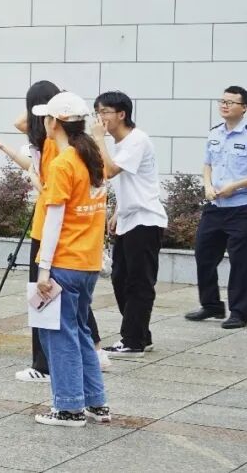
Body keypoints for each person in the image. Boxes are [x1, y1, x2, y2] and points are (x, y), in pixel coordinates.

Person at [0, 81, 110, 382]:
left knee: (51, 308)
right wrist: (4, 147)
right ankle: (92, 360)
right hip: (83, 254)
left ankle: (48, 370)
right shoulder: (84, 151)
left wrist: (44, 268)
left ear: (54, 120)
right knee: (75, 313)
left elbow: (54, 208)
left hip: (58, 241)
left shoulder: (60, 153)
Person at [31, 91, 111, 427]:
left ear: (54, 123)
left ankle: (68, 407)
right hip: (88, 262)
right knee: (80, 331)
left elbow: (54, 220)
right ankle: (95, 403)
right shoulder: (92, 156)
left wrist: (43, 269)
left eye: (46, 118)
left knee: (59, 335)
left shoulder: (63, 163)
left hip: (64, 262)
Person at [92, 91, 168, 355]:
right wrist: (117, 211)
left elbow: (110, 171)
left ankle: (133, 340)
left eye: (104, 112)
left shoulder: (137, 140)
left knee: (139, 282)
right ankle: (140, 335)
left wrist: (99, 139)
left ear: (121, 114)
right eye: (97, 112)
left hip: (145, 220)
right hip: (129, 219)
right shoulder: (120, 143)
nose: (99, 118)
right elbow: (127, 181)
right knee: (120, 278)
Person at [185, 86, 247, 330]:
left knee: (239, 261)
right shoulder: (215, 133)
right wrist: (207, 185)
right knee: (203, 254)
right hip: (215, 205)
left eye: (231, 102)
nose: (224, 105)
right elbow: (207, 164)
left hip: (241, 207)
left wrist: (235, 186)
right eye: (222, 101)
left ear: (244, 107)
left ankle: (239, 313)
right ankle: (212, 305)